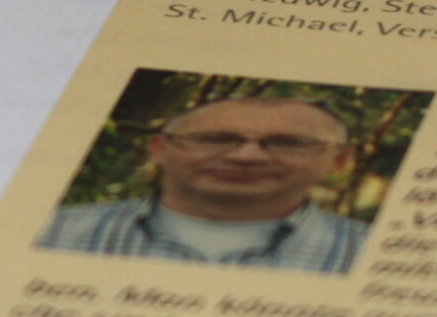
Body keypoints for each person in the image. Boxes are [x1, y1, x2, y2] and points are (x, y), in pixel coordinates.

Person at [37, 94, 370, 274]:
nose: (245, 156)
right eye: (213, 139)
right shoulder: (51, 231)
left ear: (338, 160)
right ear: (159, 149)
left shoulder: (369, 254)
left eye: (288, 143)